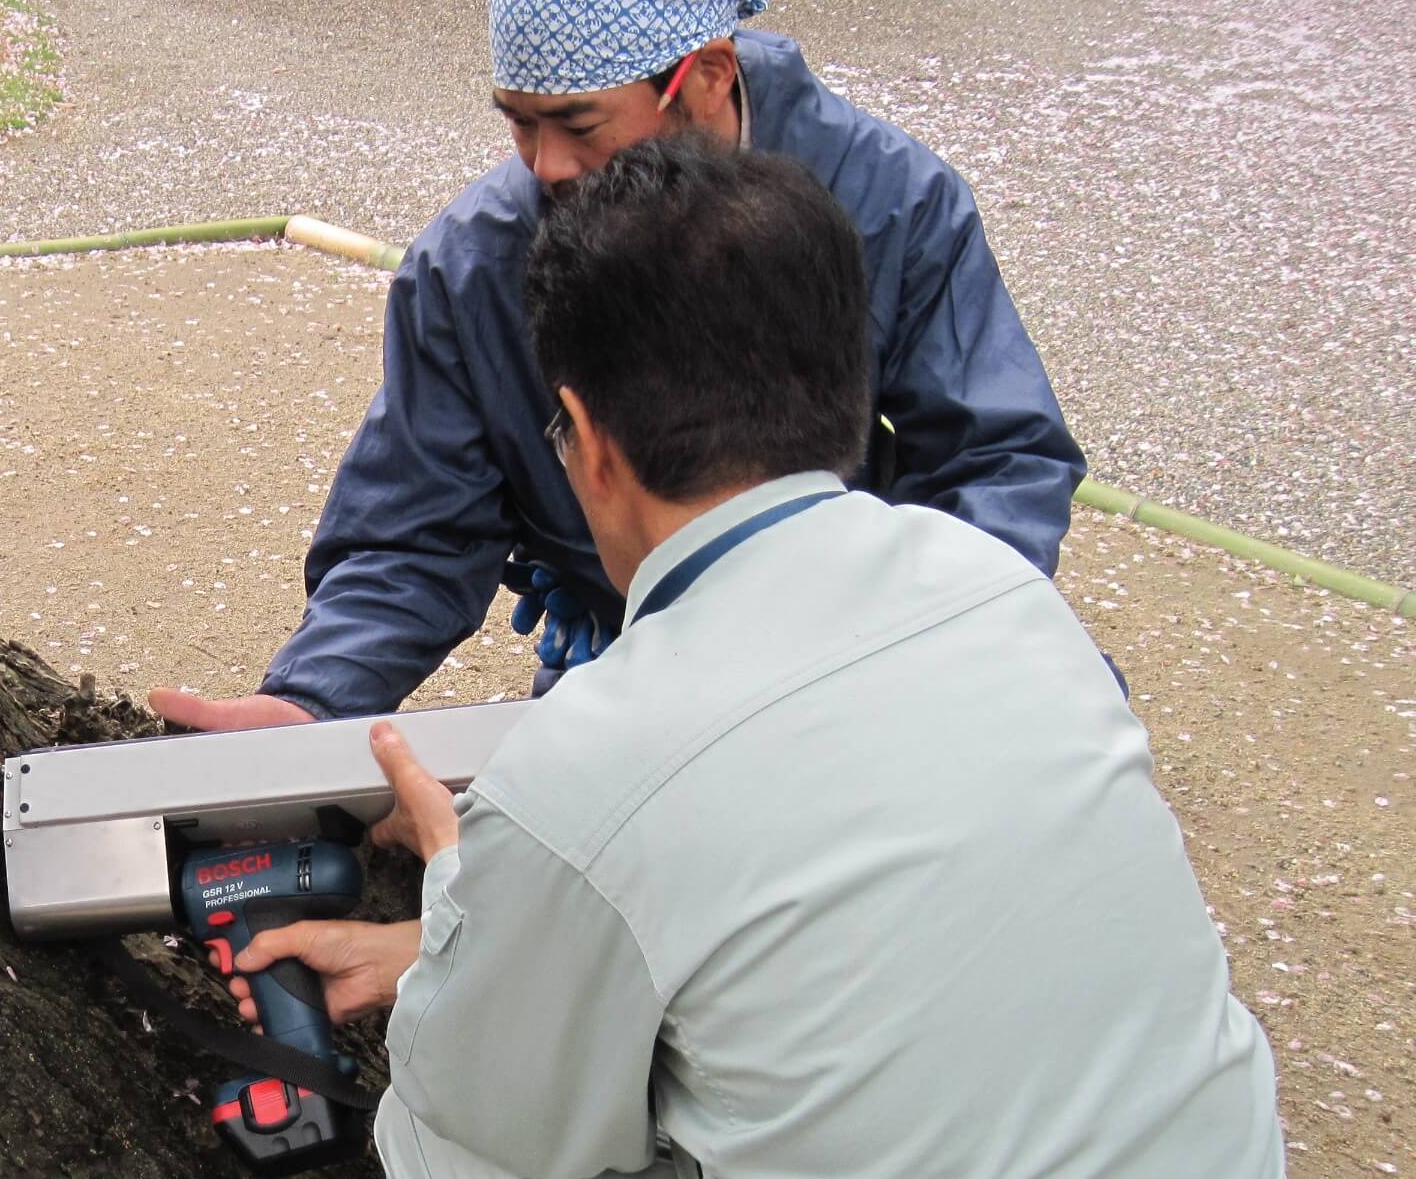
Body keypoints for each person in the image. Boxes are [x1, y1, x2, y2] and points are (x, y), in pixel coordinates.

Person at [231, 138, 1280, 1177]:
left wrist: (477, 892)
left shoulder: (584, 776)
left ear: (590, 441)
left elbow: (472, 1139)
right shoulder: (1004, 592)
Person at [149, 0, 1087, 732]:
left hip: (862, 653)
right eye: (518, 120)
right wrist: (310, 701)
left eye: (579, 124)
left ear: (709, 74)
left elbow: (998, 459)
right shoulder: (472, 265)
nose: (544, 167)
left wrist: (917, 651)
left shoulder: (894, 203)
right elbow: (416, 531)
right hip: (624, 660)